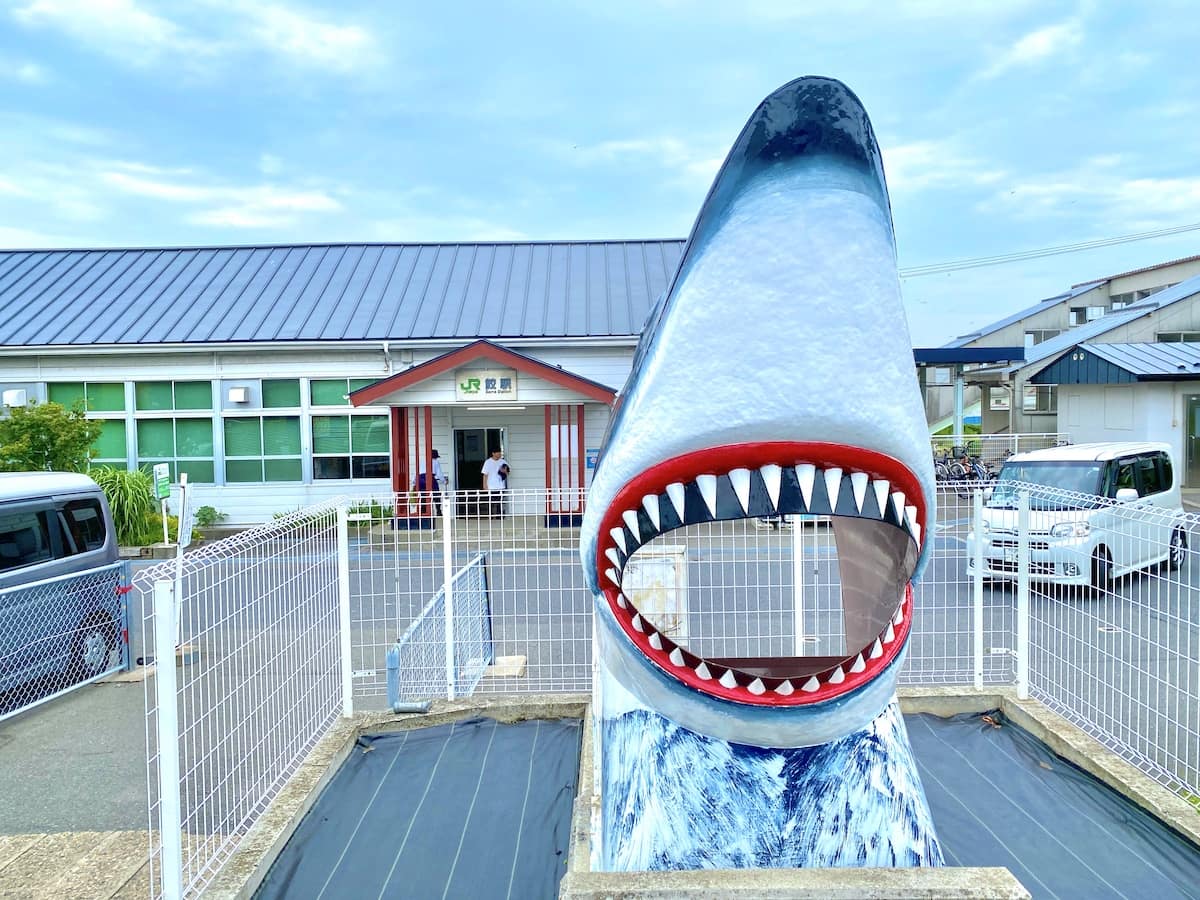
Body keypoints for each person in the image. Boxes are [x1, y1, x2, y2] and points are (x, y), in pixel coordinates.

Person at [415, 450, 446, 516]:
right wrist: (444, 481)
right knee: (436, 494)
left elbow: (417, 472)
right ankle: (438, 511)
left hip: (420, 479)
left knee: (423, 496)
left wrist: (414, 481)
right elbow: (439, 474)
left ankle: (423, 513)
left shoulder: (422, 461)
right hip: (430, 477)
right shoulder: (435, 462)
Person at [480, 448, 510, 517]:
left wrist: (504, 471)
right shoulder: (488, 462)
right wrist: (485, 486)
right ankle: (490, 516)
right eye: (497, 452)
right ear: (493, 453)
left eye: (500, 452)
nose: (499, 454)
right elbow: (485, 474)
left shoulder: (503, 461)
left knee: (500, 502)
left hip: (500, 486)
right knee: (491, 502)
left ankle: (499, 516)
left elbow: (508, 472)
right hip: (491, 486)